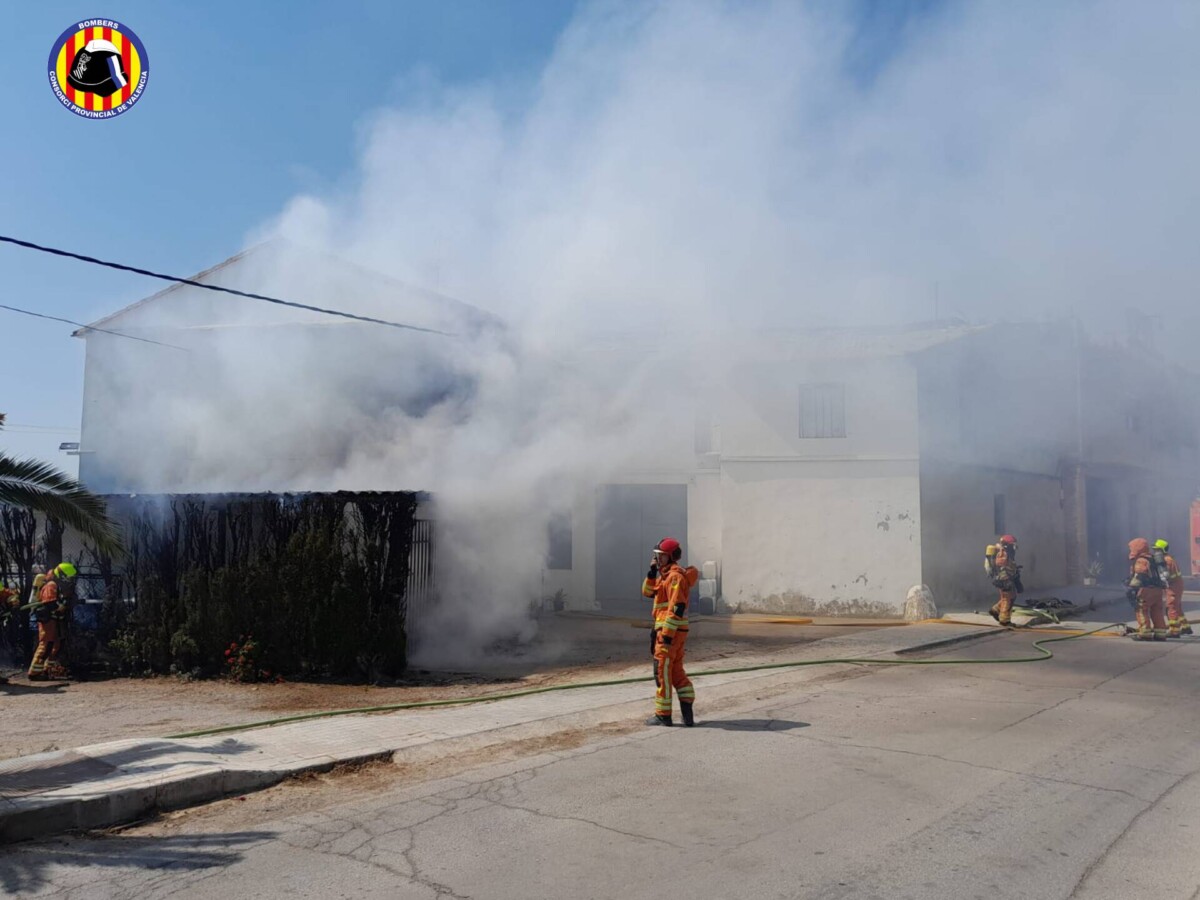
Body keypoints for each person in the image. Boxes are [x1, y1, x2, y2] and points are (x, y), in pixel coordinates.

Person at [641, 538, 699, 727]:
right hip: (671, 632)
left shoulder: (674, 577)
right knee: (675, 673)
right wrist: (651, 573)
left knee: (661, 672)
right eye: (657, 556)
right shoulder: (664, 576)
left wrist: (666, 634)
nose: (658, 559)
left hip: (669, 634)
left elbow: (677, 607)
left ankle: (663, 715)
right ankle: (687, 713)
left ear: (672, 556)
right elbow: (647, 592)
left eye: (662, 556)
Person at [27, 562, 76, 680]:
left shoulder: (60, 586)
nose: (70, 581)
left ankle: (47, 670)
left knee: (57, 644)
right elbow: (49, 603)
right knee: (46, 644)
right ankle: (34, 673)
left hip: (56, 620)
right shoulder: (51, 585)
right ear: (61, 576)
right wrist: (61, 606)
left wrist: (66, 602)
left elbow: (65, 600)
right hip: (48, 620)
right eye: (68, 578)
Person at [1125, 539, 1167, 641]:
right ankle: (1160, 634)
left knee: (1141, 610)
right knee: (1157, 611)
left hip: (1146, 590)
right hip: (1158, 590)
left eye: (1132, 548)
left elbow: (1140, 575)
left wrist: (1131, 587)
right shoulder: (1153, 558)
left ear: (1137, 548)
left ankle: (1145, 633)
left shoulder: (1141, 560)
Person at [1154, 539, 1193, 637]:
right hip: (1175, 585)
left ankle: (1174, 631)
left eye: (1157, 550)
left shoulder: (1167, 561)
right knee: (1177, 606)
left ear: (1162, 550)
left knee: (1171, 607)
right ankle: (1185, 627)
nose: (1155, 552)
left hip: (1173, 586)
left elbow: (1166, 575)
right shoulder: (1168, 559)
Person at [985, 535, 1023, 627]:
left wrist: (1014, 569)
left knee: (1012, 596)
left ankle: (995, 610)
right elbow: (1001, 565)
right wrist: (1010, 572)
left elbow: (1009, 565)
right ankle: (1005, 620)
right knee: (1007, 599)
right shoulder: (1002, 553)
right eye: (1012, 545)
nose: (1014, 548)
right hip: (1004, 580)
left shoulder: (1006, 552)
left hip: (1007, 578)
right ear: (1007, 545)